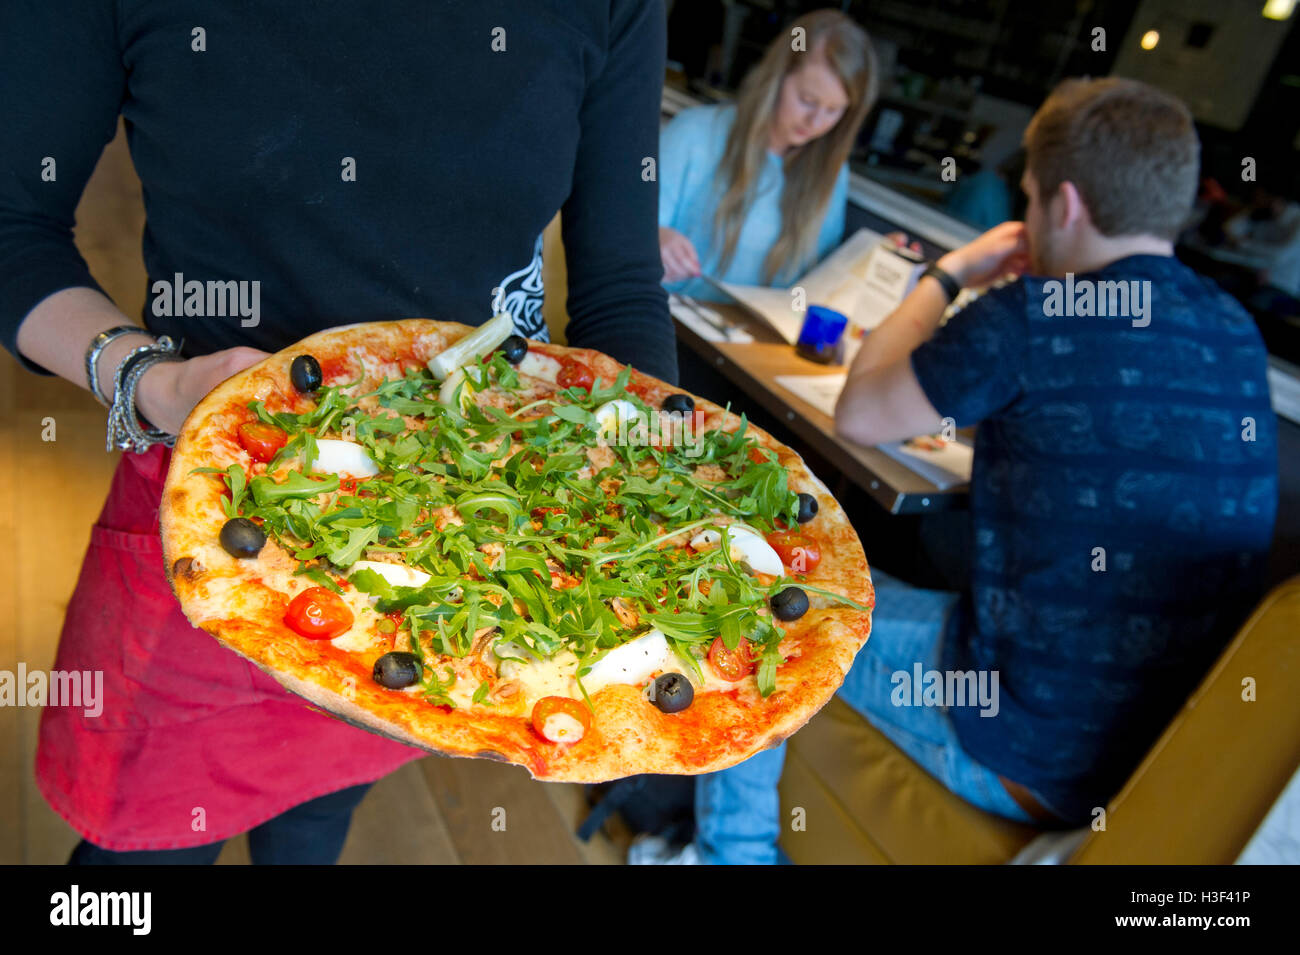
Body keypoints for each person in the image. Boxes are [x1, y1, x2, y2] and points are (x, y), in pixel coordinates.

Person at [1, 0, 676, 863]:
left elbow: (619, 285)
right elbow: (12, 224)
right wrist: (150, 380)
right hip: (214, 503)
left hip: (450, 549)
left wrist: (652, 514)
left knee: (317, 820)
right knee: (137, 861)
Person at [642, 76, 1279, 865]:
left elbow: (863, 413)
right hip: (1148, 755)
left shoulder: (1034, 315)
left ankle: (728, 856)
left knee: (748, 597)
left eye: (1033, 196)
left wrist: (949, 276)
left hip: (1021, 736)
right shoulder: (1235, 332)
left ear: (1067, 204)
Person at [657, 9, 877, 300]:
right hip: (673, 317)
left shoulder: (833, 173)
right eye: (807, 100)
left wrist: (872, 261)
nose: (816, 123)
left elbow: (817, 281)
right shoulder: (694, 133)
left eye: (833, 111)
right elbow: (628, 227)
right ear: (777, 78)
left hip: (747, 338)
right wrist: (656, 236)